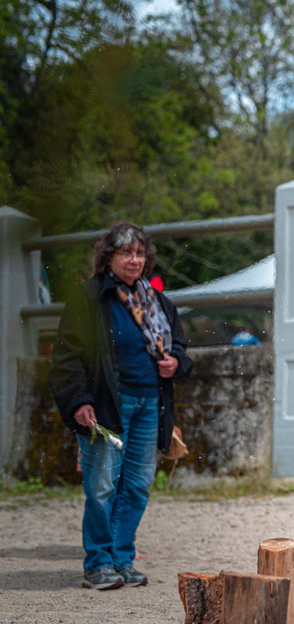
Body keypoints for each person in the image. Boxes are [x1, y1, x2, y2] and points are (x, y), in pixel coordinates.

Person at [48, 222, 193, 590]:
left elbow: (180, 350)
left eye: (140, 253)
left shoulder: (158, 302)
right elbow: (66, 357)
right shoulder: (89, 298)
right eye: (126, 252)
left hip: (150, 405)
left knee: (138, 485)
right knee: (101, 487)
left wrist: (175, 363)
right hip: (106, 406)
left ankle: (121, 559)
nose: (134, 259)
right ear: (108, 257)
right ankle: (97, 563)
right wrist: (79, 401)